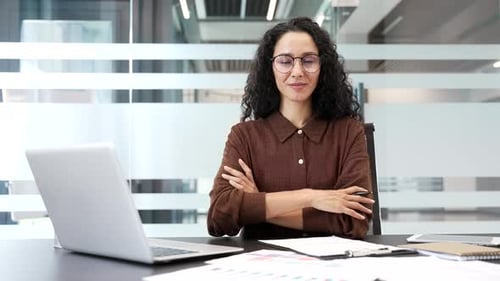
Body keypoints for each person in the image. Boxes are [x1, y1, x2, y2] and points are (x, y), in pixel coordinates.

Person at [207, 17, 374, 240]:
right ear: (271, 67)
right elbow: (219, 217)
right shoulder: (244, 136)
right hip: (261, 269)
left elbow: (353, 221)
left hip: (331, 269)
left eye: (308, 60)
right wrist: (310, 197)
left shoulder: (349, 132)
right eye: (285, 61)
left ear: (322, 67)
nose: (297, 71)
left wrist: (257, 204)